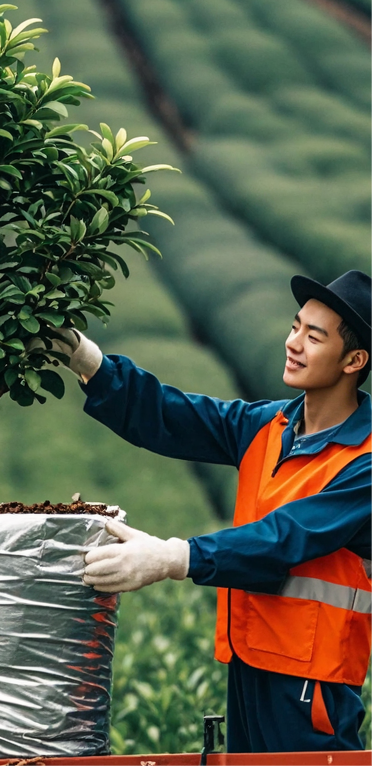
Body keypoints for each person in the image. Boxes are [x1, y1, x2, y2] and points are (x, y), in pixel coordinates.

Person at [51, 270, 372, 753]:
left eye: (314, 336)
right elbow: (176, 415)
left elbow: (284, 537)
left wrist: (172, 557)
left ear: (355, 360)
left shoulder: (364, 461)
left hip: (311, 681)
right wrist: (87, 360)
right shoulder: (271, 425)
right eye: (294, 327)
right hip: (250, 660)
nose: (294, 343)